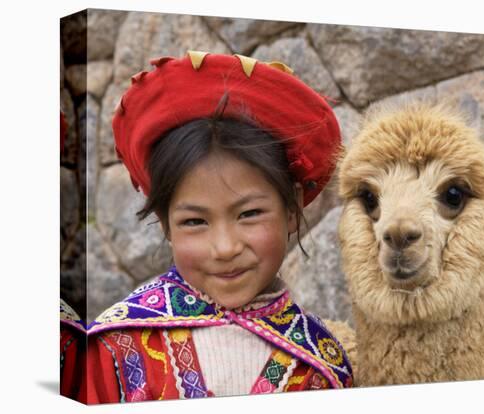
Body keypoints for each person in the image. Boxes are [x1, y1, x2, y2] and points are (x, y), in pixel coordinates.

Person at [84, 51, 352, 404]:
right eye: (195, 221)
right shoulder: (114, 348)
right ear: (166, 224)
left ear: (291, 208)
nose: (225, 248)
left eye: (249, 214)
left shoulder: (321, 366)